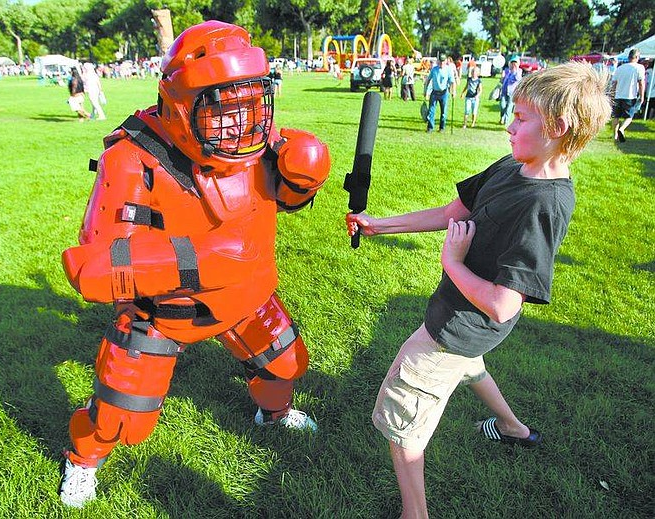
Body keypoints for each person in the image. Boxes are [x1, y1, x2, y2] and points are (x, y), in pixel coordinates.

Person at [58, 20, 331, 508]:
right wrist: (198, 260)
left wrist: (302, 178)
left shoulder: (258, 141)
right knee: (121, 418)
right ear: (181, 105)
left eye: (251, 102)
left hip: (246, 299)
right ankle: (81, 461)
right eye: (223, 107)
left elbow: (281, 198)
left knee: (286, 366)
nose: (241, 122)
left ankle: (272, 416)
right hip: (163, 313)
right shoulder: (135, 158)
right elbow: (93, 268)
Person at [346, 61, 611, 519]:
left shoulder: (542, 206)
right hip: (467, 327)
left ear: (557, 127)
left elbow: (504, 304)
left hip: (457, 327)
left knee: (401, 421)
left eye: (521, 117)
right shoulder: (513, 166)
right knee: (472, 369)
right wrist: (378, 227)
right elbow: (454, 211)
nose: (509, 127)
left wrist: (451, 262)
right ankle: (513, 428)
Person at [611, 48, 645, 142]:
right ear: (637, 57)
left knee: (615, 116)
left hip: (618, 95)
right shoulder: (639, 67)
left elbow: (614, 83)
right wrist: (642, 96)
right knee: (629, 116)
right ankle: (621, 129)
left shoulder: (620, 68)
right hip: (630, 96)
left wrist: (612, 95)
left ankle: (614, 136)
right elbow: (641, 83)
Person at [424, 54, 456, 132]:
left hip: (444, 93)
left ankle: (442, 127)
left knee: (444, 112)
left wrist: (454, 91)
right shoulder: (434, 69)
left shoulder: (449, 70)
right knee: (431, 111)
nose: (441, 63)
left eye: (443, 61)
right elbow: (428, 80)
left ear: (445, 61)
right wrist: (425, 91)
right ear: (438, 61)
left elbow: (452, 82)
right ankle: (430, 128)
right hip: (434, 92)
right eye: (440, 61)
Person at [499, 56, 522, 125]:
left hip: (512, 93)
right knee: (502, 106)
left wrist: (515, 71)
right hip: (504, 92)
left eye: (515, 63)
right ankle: (502, 117)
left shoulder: (518, 72)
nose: (513, 65)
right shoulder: (507, 71)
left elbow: (517, 79)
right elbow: (503, 80)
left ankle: (506, 121)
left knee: (509, 107)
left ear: (518, 64)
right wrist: (502, 78)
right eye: (512, 63)